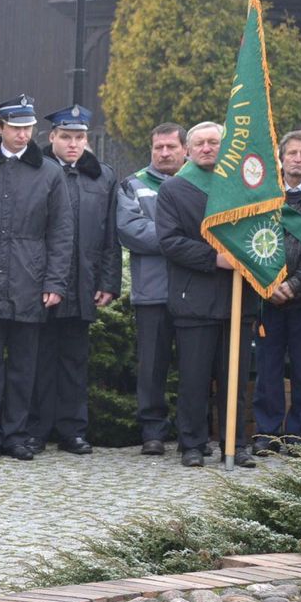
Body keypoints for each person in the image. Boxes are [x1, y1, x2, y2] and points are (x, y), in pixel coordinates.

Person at [0, 95, 73, 460]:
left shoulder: (49, 172)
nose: (23, 134)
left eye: (28, 128)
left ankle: (16, 433)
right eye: (15, 127)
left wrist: (55, 282)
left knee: (25, 364)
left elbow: (61, 231)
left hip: (30, 276)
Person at [156, 121, 257, 468]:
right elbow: (169, 242)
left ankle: (236, 443)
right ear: (187, 149)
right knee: (194, 380)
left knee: (236, 380)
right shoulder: (174, 189)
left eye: (214, 142)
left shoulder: (245, 188)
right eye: (199, 143)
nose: (206, 148)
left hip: (239, 300)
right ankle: (193, 444)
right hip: (193, 299)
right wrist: (215, 259)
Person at [26, 105, 121, 455]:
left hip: (83, 282)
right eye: (66, 137)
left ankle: (73, 430)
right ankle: (36, 429)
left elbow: (110, 233)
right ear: (51, 137)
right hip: (42, 282)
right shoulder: (36, 171)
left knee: (75, 360)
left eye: (79, 137)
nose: (73, 144)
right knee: (40, 359)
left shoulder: (103, 176)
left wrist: (109, 281)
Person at [117, 123, 188, 456]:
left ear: (184, 149)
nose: (164, 153)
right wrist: (180, 239)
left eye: (171, 147)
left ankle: (192, 431)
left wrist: (168, 236)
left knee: (194, 365)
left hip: (194, 290)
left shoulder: (200, 182)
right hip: (151, 290)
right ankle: (153, 431)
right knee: (152, 366)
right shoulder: (134, 184)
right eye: (158, 147)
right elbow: (131, 230)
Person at [252, 129, 301, 454]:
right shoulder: (261, 194)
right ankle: (266, 434)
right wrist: (269, 285)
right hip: (267, 298)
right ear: (281, 157)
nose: (297, 159)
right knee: (267, 368)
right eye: (292, 153)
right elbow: (250, 241)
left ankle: (299, 436)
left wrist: (294, 285)